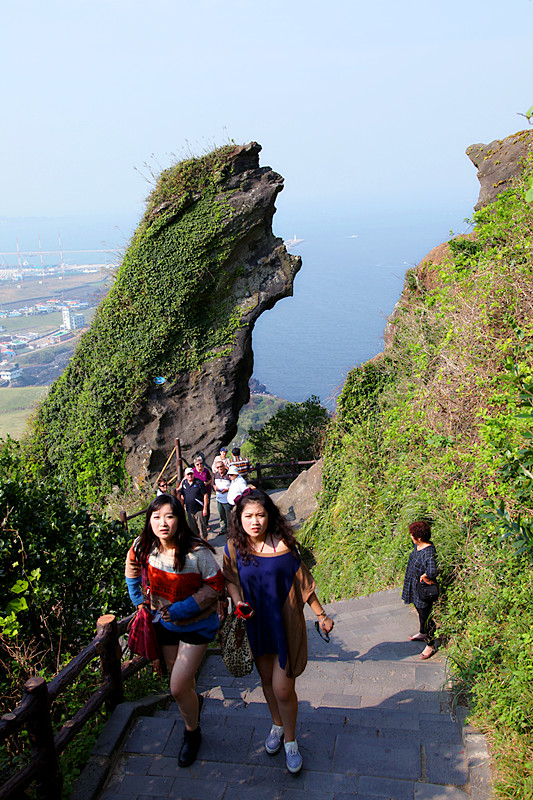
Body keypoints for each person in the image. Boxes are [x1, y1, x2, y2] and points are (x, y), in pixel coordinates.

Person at [223, 489, 334, 774]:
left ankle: (291, 741)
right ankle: (277, 725)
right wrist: (238, 602)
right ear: (239, 518)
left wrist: (321, 615)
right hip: (255, 622)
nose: (255, 521)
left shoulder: (283, 545)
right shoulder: (235, 547)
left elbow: (304, 583)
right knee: (267, 682)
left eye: (260, 515)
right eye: (248, 516)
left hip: (283, 624)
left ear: (269, 516)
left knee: (284, 688)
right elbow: (231, 580)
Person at [125, 495, 224, 767]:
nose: (162, 523)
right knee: (182, 683)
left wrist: (181, 609)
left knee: (177, 686)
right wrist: (138, 600)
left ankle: (192, 733)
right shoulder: (144, 546)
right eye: (155, 517)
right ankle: (193, 705)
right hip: (164, 624)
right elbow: (132, 565)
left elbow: (215, 586)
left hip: (197, 625)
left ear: (180, 519)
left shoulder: (197, 552)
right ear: (149, 521)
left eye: (169, 516)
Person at [401, 520, 438, 660]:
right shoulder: (419, 546)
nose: (411, 537)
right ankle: (423, 632)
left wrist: (426, 575)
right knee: (420, 610)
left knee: (426, 616)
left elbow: (433, 570)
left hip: (422, 590)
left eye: (413, 535)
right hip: (414, 586)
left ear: (419, 538)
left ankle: (430, 644)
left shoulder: (428, 552)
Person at [179, 468, 209, 540]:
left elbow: (205, 495)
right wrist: (182, 507)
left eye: (191, 474)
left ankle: (205, 544)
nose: (190, 476)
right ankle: (197, 542)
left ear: (193, 474)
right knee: (193, 529)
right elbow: (182, 496)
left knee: (202, 528)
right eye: (188, 474)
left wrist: (205, 509)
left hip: (199, 509)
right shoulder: (184, 483)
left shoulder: (199, 483)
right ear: (185, 475)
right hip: (189, 510)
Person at [192, 456, 213, 527]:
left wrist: (206, 483)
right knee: (199, 507)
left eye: (201, 463)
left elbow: (210, 479)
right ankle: (200, 523)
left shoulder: (206, 471)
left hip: (206, 491)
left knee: (206, 506)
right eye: (197, 464)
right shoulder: (193, 471)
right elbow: (187, 479)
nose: (200, 465)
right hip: (197, 492)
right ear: (195, 465)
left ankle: (206, 523)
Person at [213, 459, 231, 535]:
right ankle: (223, 529)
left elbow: (234, 485)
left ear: (224, 466)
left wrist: (227, 489)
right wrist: (214, 488)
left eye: (221, 466)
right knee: (221, 516)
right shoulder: (216, 475)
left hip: (227, 499)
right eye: (218, 467)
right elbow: (213, 483)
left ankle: (230, 531)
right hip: (219, 498)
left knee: (229, 516)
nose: (220, 468)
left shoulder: (229, 475)